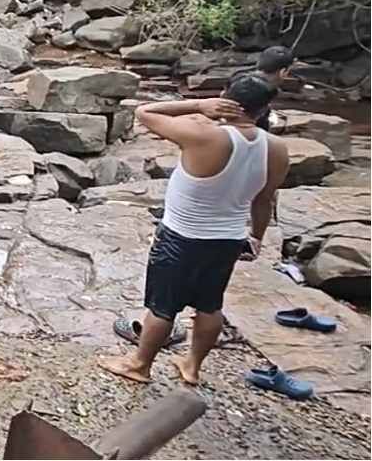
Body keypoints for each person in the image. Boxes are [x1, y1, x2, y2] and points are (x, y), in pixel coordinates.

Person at [98, 74, 290, 386]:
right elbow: (264, 201)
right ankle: (192, 367)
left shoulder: (204, 136)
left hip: (181, 237)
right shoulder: (276, 148)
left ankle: (139, 364)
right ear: (263, 109)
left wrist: (199, 104)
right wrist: (257, 236)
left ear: (226, 98)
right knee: (210, 305)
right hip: (229, 238)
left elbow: (145, 112)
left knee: (162, 307)